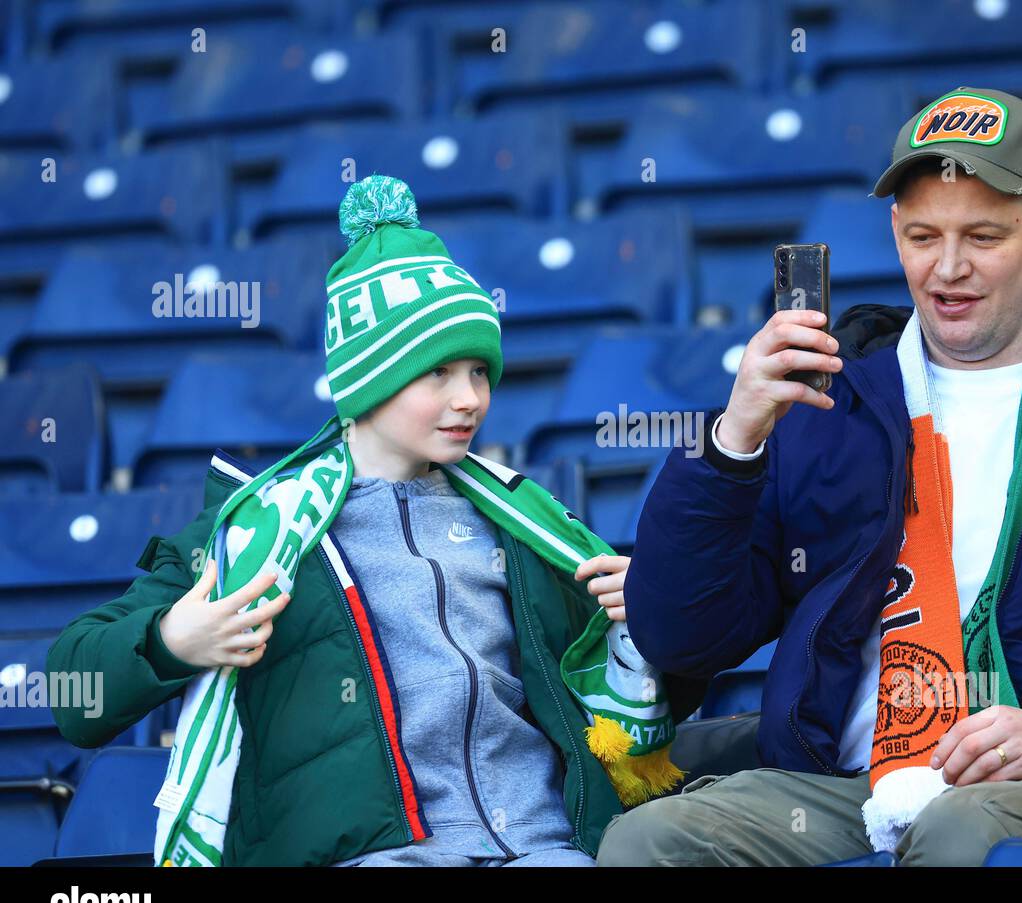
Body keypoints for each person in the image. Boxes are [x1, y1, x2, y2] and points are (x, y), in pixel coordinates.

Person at [597, 87, 1022, 866]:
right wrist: (731, 441)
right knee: (648, 842)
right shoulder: (830, 400)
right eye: (924, 236)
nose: (949, 268)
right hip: (854, 787)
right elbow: (682, 636)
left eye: (984, 236)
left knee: (960, 832)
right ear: (896, 234)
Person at [47, 174, 701, 867]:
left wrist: (652, 621)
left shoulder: (525, 521)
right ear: (372, 378)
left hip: (541, 846)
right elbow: (72, 692)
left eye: (480, 371)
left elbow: (650, 701)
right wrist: (174, 639)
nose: (470, 398)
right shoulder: (254, 532)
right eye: (439, 372)